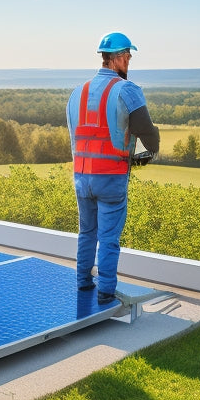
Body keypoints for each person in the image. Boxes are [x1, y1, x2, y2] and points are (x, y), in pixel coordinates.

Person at [66, 32, 160, 305]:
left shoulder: (77, 93)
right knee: (108, 238)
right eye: (128, 57)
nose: (128, 62)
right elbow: (146, 130)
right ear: (117, 58)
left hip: (82, 178)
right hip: (111, 178)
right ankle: (106, 291)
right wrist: (153, 147)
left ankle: (83, 282)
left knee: (87, 232)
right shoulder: (126, 90)